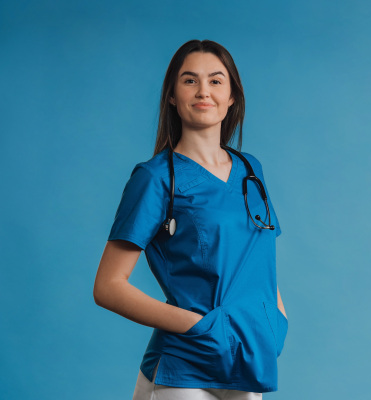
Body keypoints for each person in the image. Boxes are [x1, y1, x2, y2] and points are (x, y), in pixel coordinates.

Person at [93, 39, 288, 400]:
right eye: (189, 80)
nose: (204, 91)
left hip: (249, 356)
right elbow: (108, 286)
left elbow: (259, 257)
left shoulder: (250, 170)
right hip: (185, 363)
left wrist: (276, 319)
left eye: (216, 81)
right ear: (171, 95)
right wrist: (198, 326)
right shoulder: (155, 179)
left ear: (232, 97)